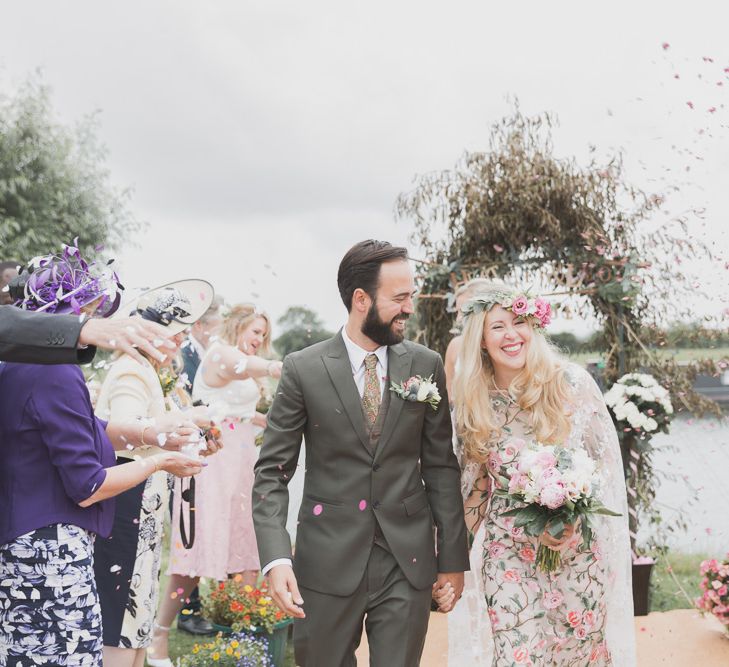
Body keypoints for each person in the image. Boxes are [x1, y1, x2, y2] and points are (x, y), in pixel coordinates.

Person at [252, 240, 470, 667]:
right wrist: (276, 558)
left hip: (405, 561)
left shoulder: (425, 365)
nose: (410, 307)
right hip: (325, 560)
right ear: (360, 299)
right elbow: (272, 473)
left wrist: (452, 560)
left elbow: (443, 467)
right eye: (400, 298)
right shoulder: (303, 368)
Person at [0, 246, 203, 666]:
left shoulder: (18, 365)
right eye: (92, 310)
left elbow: (83, 429)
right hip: (49, 556)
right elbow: (88, 486)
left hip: (20, 547)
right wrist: (158, 462)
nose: (102, 320)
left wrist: (153, 433)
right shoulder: (55, 371)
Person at [442, 282, 635, 665]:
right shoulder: (474, 401)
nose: (511, 335)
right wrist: (450, 561)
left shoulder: (571, 384)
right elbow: (479, 490)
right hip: (507, 554)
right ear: (480, 339)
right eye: (498, 326)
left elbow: (603, 470)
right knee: (518, 658)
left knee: (578, 655)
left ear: (534, 327)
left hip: (575, 553)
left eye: (519, 322)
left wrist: (574, 520)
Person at [149, 303, 283, 664]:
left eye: (264, 335)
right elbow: (248, 368)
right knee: (196, 554)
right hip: (212, 462)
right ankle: (159, 634)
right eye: (256, 331)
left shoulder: (237, 357)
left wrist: (273, 424)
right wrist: (279, 367)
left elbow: (240, 411)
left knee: (246, 552)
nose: (260, 339)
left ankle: (244, 644)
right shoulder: (222, 354)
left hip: (241, 463)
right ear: (238, 326)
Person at [92, 280, 217, 667]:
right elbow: (125, 429)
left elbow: (156, 432)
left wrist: (192, 437)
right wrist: (186, 418)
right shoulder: (131, 372)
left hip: (145, 510)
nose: (178, 344)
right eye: (173, 335)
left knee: (139, 609)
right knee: (120, 614)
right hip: (125, 508)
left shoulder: (150, 371)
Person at [174, 295, 224, 636]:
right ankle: (186, 610)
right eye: (214, 328)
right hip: (183, 445)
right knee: (187, 530)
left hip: (203, 447)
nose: (216, 335)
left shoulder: (206, 354)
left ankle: (195, 606)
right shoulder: (185, 356)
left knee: (202, 529)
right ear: (199, 326)